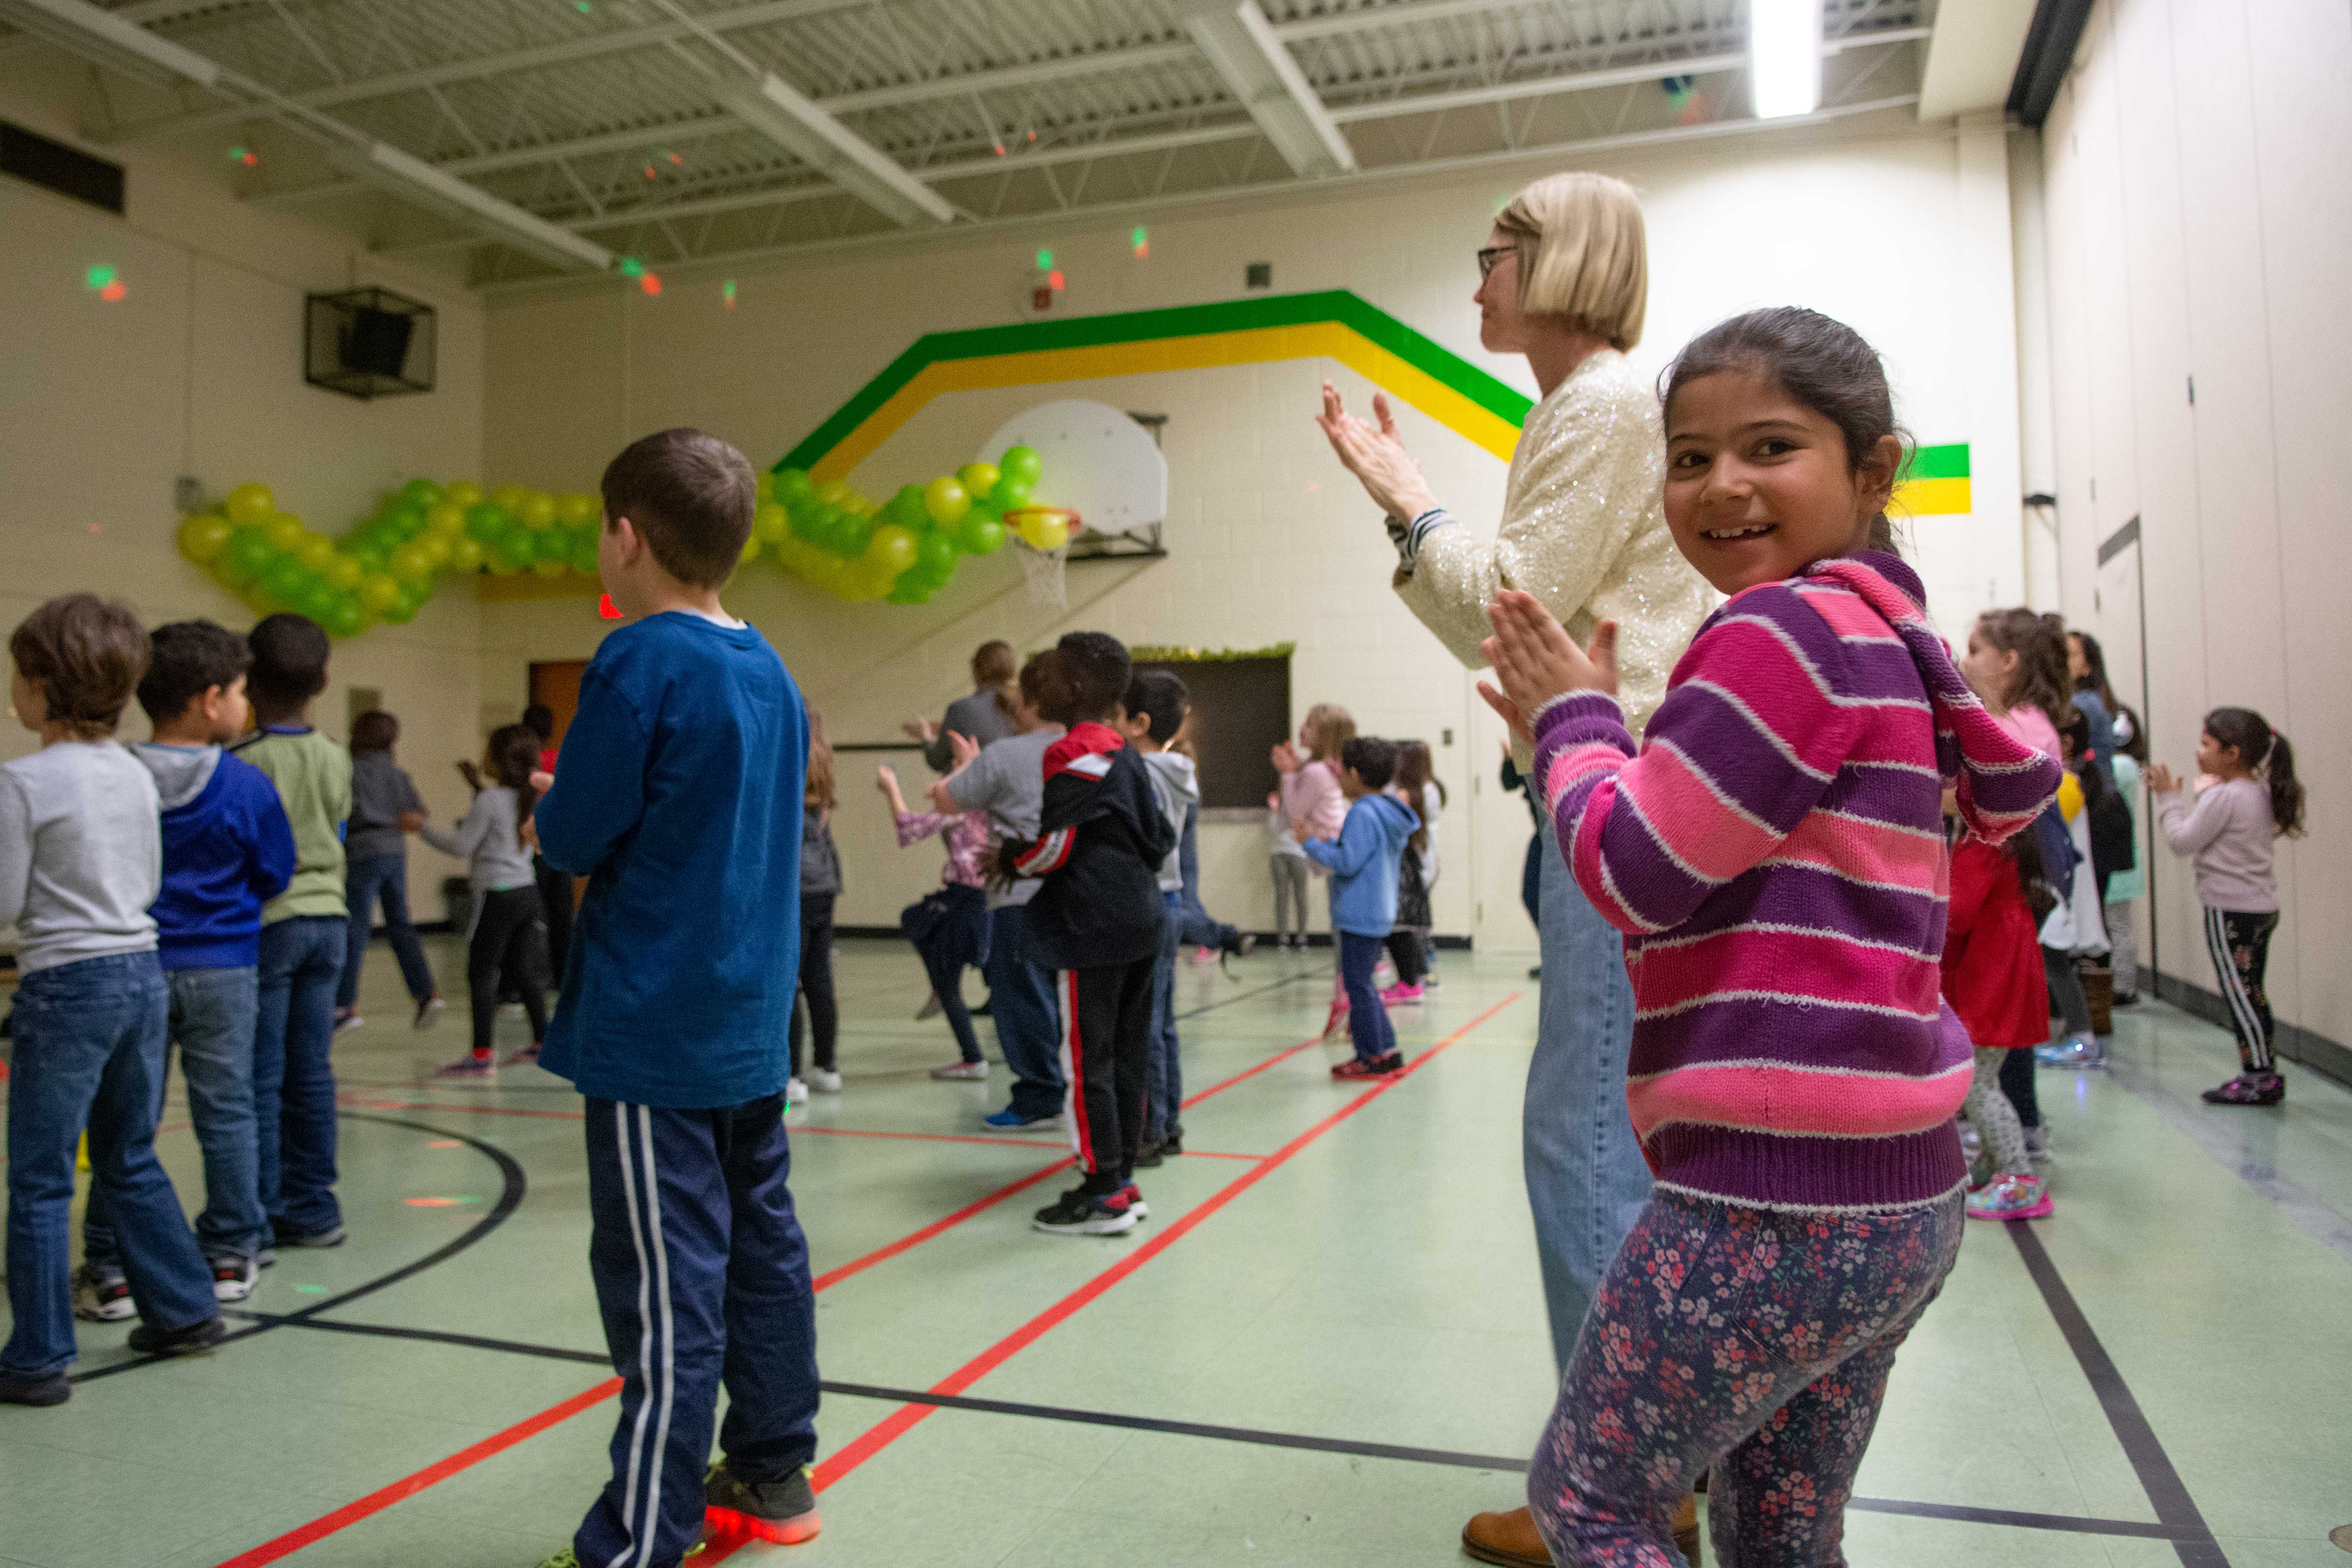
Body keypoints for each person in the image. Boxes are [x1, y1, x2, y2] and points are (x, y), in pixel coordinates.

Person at [1481, 306, 2059, 1566]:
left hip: (1762, 1207)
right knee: (1782, 1525)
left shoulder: (1778, 632)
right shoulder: (1887, 639)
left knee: (1590, 1501)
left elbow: (1636, 871)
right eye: (1689, 459)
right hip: (1904, 1202)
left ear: (1871, 470)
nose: (1722, 485)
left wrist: (1568, 726)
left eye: (1768, 447)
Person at [1314, 169, 1711, 1567]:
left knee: (1583, 1139)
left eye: (1490, 256)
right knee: (1621, 1137)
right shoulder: (1597, 407)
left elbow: (1509, 611)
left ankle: (1614, 1481)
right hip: (1635, 793)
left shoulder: (1593, 401)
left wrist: (1410, 503)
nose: (1477, 282)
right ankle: (1654, 1455)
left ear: (1553, 262)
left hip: (1621, 796)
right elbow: (1517, 620)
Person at [531, 428, 821, 1566]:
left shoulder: (641, 658)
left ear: (628, 534)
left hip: (660, 1024)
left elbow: (576, 833)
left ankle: (642, 1534)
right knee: (762, 1252)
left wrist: (557, 801)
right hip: (750, 1019)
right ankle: (771, 1468)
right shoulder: (771, 665)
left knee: (666, 1286)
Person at [2, 595, 229, 1407]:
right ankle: (184, 1309)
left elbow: (4, 901)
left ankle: (35, 1355)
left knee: (38, 1177)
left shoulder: (23, 781)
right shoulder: (134, 772)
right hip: (142, 971)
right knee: (128, 1152)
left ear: (37, 685)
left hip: (68, 984)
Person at [78, 620, 296, 1320]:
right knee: (227, 1110)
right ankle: (231, 1252)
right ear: (210, 700)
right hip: (225, 968)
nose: (245, 704)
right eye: (238, 692)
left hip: (136, 967)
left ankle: (111, 1269)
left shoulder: (117, 776)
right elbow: (275, 872)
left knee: (125, 1121)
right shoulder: (245, 784)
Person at [998, 632, 1177, 1237]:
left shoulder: (1070, 750)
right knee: (1128, 1056)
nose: (1036, 681)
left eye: (1048, 671)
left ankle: (1103, 1191)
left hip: (1094, 924)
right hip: (1143, 917)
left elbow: (1056, 846)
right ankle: (1124, 1176)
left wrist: (1007, 859)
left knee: (1088, 1060)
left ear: (1073, 688)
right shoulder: (1125, 751)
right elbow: (1159, 838)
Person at [232, 614, 351, 1253]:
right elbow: (336, 828)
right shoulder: (336, 754)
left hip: (270, 921)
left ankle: (260, 1209)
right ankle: (315, 1206)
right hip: (328, 919)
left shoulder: (245, 761)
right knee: (311, 1070)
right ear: (324, 680)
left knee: (261, 1072)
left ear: (247, 681)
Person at [935, 651, 1068, 1131]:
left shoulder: (1005, 755)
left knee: (1021, 997)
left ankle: (1039, 1095)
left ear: (1028, 705)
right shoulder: (1087, 749)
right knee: (1064, 1000)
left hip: (1019, 894)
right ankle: (1070, 1088)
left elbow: (947, 797)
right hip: (1076, 894)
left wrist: (969, 764)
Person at [1957, 607, 2075, 1147]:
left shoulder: (2020, 728)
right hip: (2011, 887)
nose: (1965, 659)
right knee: (1995, 1040)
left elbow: (1982, 798)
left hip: (2012, 883)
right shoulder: (2010, 720)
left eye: (1976, 649)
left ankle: (2019, 1135)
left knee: (1990, 1045)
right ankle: (2016, 1127)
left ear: (2008, 661)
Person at [2150, 706, 2305, 1106]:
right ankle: (2262, 1069)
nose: (2199, 752)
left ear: (2232, 753)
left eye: (2206, 744)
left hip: (2229, 910)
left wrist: (2169, 799)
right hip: (2260, 908)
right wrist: (2205, 795)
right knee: (2252, 991)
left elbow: (2182, 841)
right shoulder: (2258, 791)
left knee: (2241, 994)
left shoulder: (2224, 797)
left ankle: (2259, 1076)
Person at [418, 725, 549, 1075]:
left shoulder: (491, 799)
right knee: (525, 972)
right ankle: (542, 1042)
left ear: (500, 758)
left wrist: (422, 828)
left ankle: (481, 1055)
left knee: (481, 973)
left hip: (497, 895)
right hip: (528, 892)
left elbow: (461, 846)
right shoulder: (529, 796)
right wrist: (476, 786)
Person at [1942, 828, 2057, 1222]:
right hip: (2003, 957)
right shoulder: (1999, 840)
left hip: (1991, 967)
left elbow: (1956, 915)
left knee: (1978, 1084)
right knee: (1983, 1077)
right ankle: (1995, 1166)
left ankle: (2018, 1177)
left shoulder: (1983, 844)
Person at [1301, 737, 1417, 1077]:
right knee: (1364, 984)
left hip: (1359, 913)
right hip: (1377, 910)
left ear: (1354, 774)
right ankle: (1386, 1051)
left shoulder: (1363, 813)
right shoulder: (1382, 811)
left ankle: (1371, 1057)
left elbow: (1348, 861)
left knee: (1359, 986)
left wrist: (1309, 843)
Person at [878, 762, 993, 1081]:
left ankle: (973, 1058)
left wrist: (891, 788)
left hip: (966, 903)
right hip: (985, 902)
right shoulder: (990, 804)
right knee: (917, 920)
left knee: (948, 983)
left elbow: (908, 828)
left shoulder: (961, 808)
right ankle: (939, 989)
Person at [1124, 669, 1198, 1165]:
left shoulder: (1142, 773)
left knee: (1145, 1026)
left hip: (1149, 899)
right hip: (1169, 900)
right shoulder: (1178, 768)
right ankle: (1167, 1124)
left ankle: (1148, 1130)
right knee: (1163, 1023)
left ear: (1139, 723)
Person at [336, 709, 442, 1033]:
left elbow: (342, 810)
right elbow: (418, 813)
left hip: (362, 849)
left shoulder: (351, 771)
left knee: (356, 927)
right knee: (401, 923)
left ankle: (345, 1003)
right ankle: (426, 993)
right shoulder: (398, 775)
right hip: (394, 851)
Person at [2033, 708, 2112, 1069]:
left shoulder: (2064, 784)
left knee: (2058, 966)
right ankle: (2077, 1035)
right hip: (2062, 892)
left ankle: (2083, 1039)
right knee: (2056, 963)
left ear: (2063, 742)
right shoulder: (2064, 780)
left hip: (2063, 893)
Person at [2071, 631, 2145, 1002]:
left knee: (2092, 920)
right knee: (2094, 916)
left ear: (2087, 666)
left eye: (2067, 655)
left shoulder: (2082, 705)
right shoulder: (2087, 702)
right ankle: (2091, 1012)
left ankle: (2092, 1013)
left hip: (2098, 815)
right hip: (2097, 813)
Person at [1273, 703, 1354, 1035]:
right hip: (1335, 855)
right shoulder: (1322, 768)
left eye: (1309, 725)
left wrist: (1287, 771)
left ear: (1324, 735)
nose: (1301, 729)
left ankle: (1346, 1005)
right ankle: (1346, 1001)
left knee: (1343, 935)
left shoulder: (1317, 772)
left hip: (1335, 855)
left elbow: (1293, 809)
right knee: (1343, 934)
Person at [791, 712, 842, 1099]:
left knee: (790, 983)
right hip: (824, 879)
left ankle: (792, 1075)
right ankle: (827, 1065)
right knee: (819, 979)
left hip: (797, 883)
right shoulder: (824, 761)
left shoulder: (790, 761)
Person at [1380, 738, 1443, 1003]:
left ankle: (1417, 976)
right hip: (1421, 862)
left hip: (1416, 863)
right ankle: (1419, 973)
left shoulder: (1422, 791)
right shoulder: (1425, 789)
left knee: (1406, 923)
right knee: (1412, 922)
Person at [521, 702, 576, 986]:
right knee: (562, 914)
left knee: (533, 914)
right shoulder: (560, 759)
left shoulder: (524, 767)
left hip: (532, 846)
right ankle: (562, 974)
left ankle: (532, 975)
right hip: (559, 844)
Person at [907, 638, 1019, 771]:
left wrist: (925, 736)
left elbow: (937, 760)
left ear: (976, 672)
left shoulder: (960, 710)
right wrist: (945, 729)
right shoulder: (1022, 705)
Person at [1265, 780, 1310, 951]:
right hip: (1279, 853)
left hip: (1299, 853)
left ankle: (1302, 936)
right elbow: (1272, 830)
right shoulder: (1277, 806)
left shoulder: (1304, 804)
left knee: (1301, 896)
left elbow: (1307, 829)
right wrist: (1275, 811)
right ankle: (1283, 937)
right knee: (1282, 896)